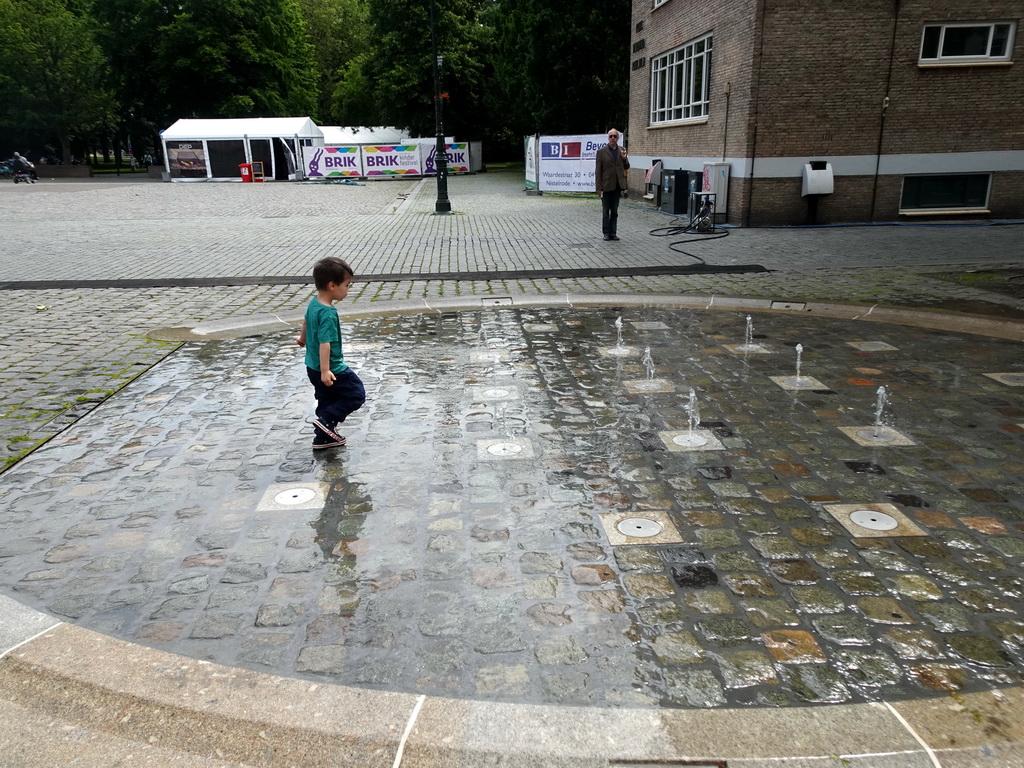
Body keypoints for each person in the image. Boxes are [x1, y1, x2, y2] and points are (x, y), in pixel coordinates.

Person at [296, 257, 366, 449]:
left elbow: (306, 321)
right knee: (356, 394)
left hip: (312, 367)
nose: (348, 290)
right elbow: (325, 343)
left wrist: (302, 338)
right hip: (332, 368)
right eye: (347, 285)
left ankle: (323, 437)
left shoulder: (314, 302)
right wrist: (326, 370)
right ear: (332, 285)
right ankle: (326, 422)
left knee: (326, 399)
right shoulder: (328, 312)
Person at [595, 129, 629, 241]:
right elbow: (598, 171)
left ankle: (613, 233)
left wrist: (624, 159)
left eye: (615, 136)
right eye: (611, 136)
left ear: (618, 138)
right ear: (608, 138)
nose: (613, 138)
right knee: (605, 211)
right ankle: (606, 233)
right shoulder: (601, 152)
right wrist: (598, 187)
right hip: (606, 186)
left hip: (617, 186)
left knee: (614, 211)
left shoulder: (622, 150)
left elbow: (627, 166)